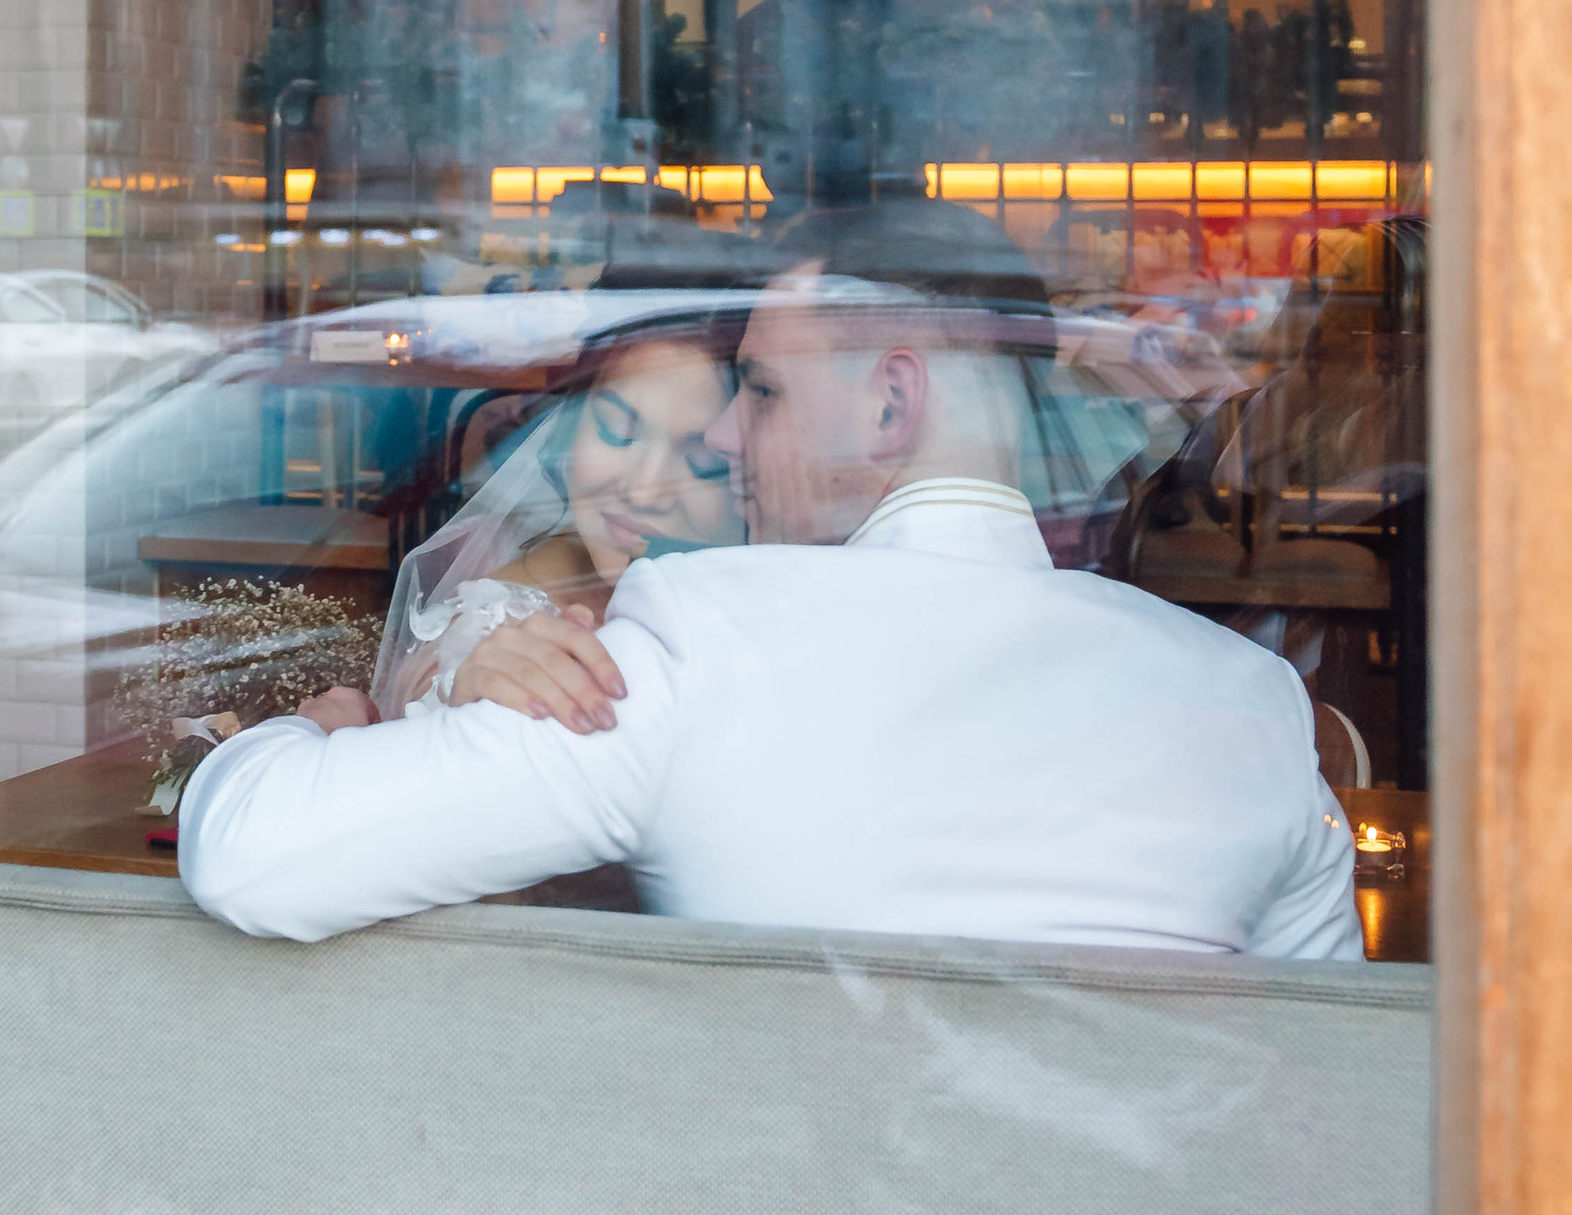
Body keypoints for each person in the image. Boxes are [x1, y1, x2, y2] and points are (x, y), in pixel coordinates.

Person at [180, 202, 1363, 959]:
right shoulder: (1251, 699)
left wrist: (301, 732)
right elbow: (1327, 1066)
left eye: (764, 392)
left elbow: (254, 856)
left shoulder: (702, 644)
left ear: (891, 400)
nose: (733, 447)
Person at [371, 313, 740, 720]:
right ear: (568, 431)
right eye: (616, 432)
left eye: (702, 460)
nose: (644, 491)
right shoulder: (501, 617)